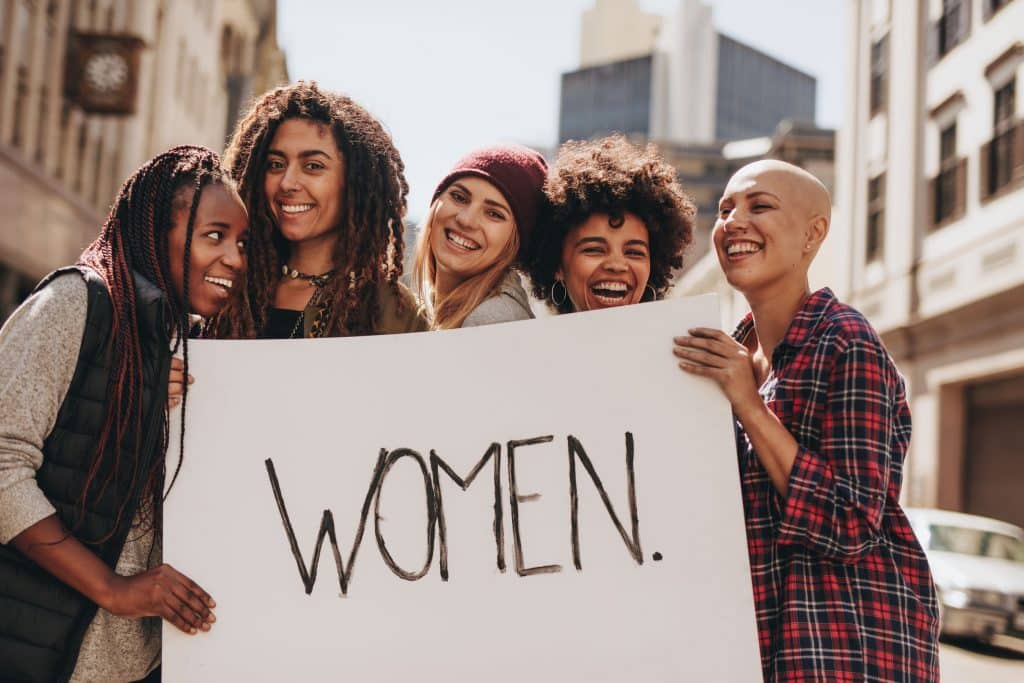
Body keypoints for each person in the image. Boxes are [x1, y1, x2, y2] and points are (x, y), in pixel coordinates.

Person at [673, 160, 940, 682]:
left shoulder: (845, 340)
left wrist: (749, 406)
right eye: (725, 210)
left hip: (848, 654)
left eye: (759, 206)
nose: (733, 222)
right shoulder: (732, 354)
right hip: (764, 653)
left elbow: (852, 522)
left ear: (813, 234)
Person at [0, 146, 248, 682]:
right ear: (158, 233)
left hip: (135, 668)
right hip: (37, 654)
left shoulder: (182, 343)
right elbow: (2, 468)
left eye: (241, 242)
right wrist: (113, 589)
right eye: (214, 236)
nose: (235, 257)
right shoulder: (75, 303)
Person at [218, 81, 427, 339]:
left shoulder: (392, 312)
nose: (287, 182)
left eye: (313, 166)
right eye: (276, 164)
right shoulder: (228, 286)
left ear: (354, 182)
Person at [523, 135, 694, 313]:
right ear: (557, 264)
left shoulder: (680, 339)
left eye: (634, 253)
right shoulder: (520, 339)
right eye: (594, 250)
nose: (617, 265)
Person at [413, 145, 547, 328]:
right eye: (459, 197)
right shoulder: (423, 313)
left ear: (517, 242)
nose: (466, 220)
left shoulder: (492, 319)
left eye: (494, 214)